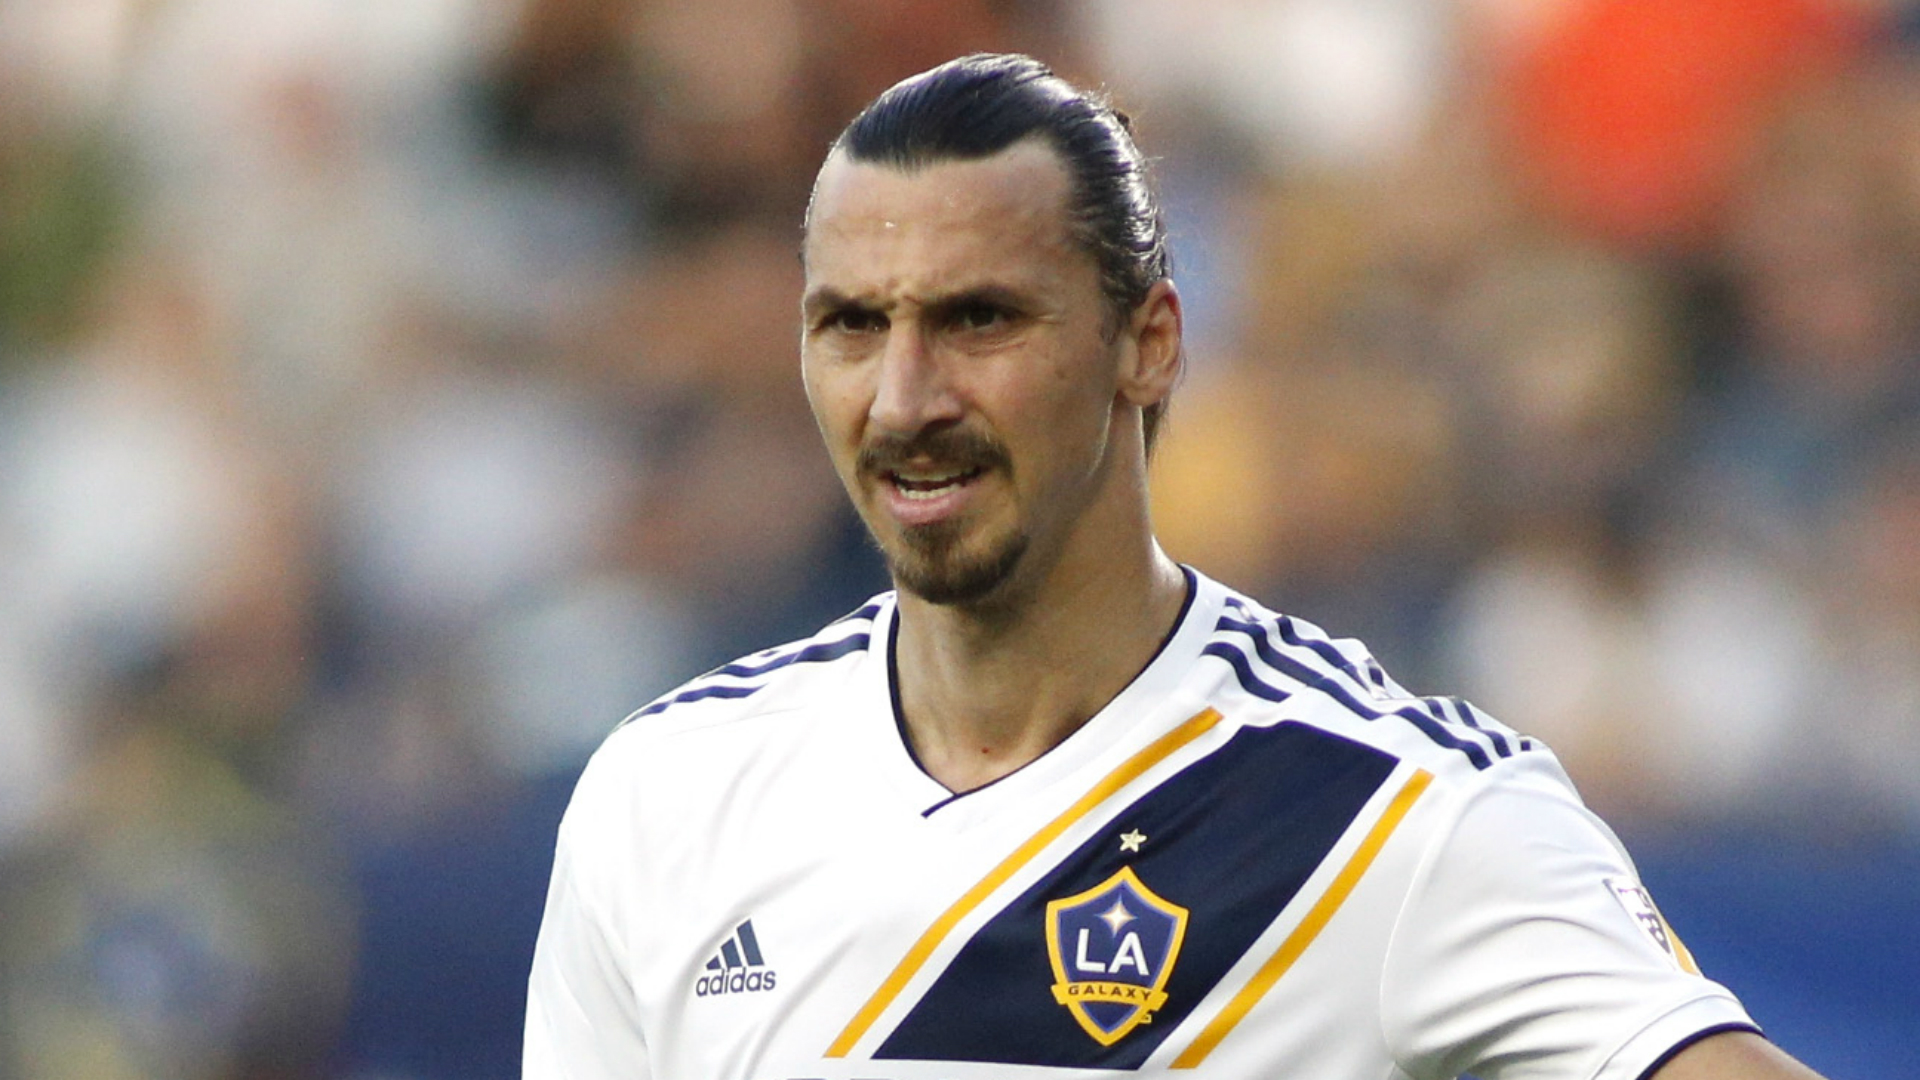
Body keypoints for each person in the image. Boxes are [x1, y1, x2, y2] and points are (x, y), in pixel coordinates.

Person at [523, 53, 1827, 1080]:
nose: (904, 398)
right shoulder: (667, 795)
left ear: (1147, 344)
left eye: (980, 319)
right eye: (853, 327)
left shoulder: (1383, 812)